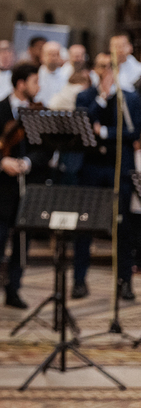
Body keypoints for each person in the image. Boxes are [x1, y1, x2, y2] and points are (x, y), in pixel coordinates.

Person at [0, 64, 51, 308]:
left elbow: (46, 149)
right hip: (2, 186)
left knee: (22, 243)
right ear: (21, 84)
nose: (39, 87)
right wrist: (2, 161)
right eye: (35, 81)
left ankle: (13, 290)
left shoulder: (40, 113)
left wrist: (27, 162)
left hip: (28, 186)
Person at [71, 51, 141, 300]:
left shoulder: (130, 98)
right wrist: (101, 98)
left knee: (123, 227)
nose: (107, 72)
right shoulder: (85, 96)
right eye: (102, 67)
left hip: (119, 168)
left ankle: (125, 281)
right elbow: (83, 127)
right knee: (84, 225)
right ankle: (79, 280)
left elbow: (133, 132)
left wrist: (104, 133)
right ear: (95, 70)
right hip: (91, 167)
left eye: (111, 67)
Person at [36, 40, 72, 105]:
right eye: (50, 54)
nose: (53, 58)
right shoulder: (36, 75)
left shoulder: (67, 76)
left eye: (56, 54)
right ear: (42, 56)